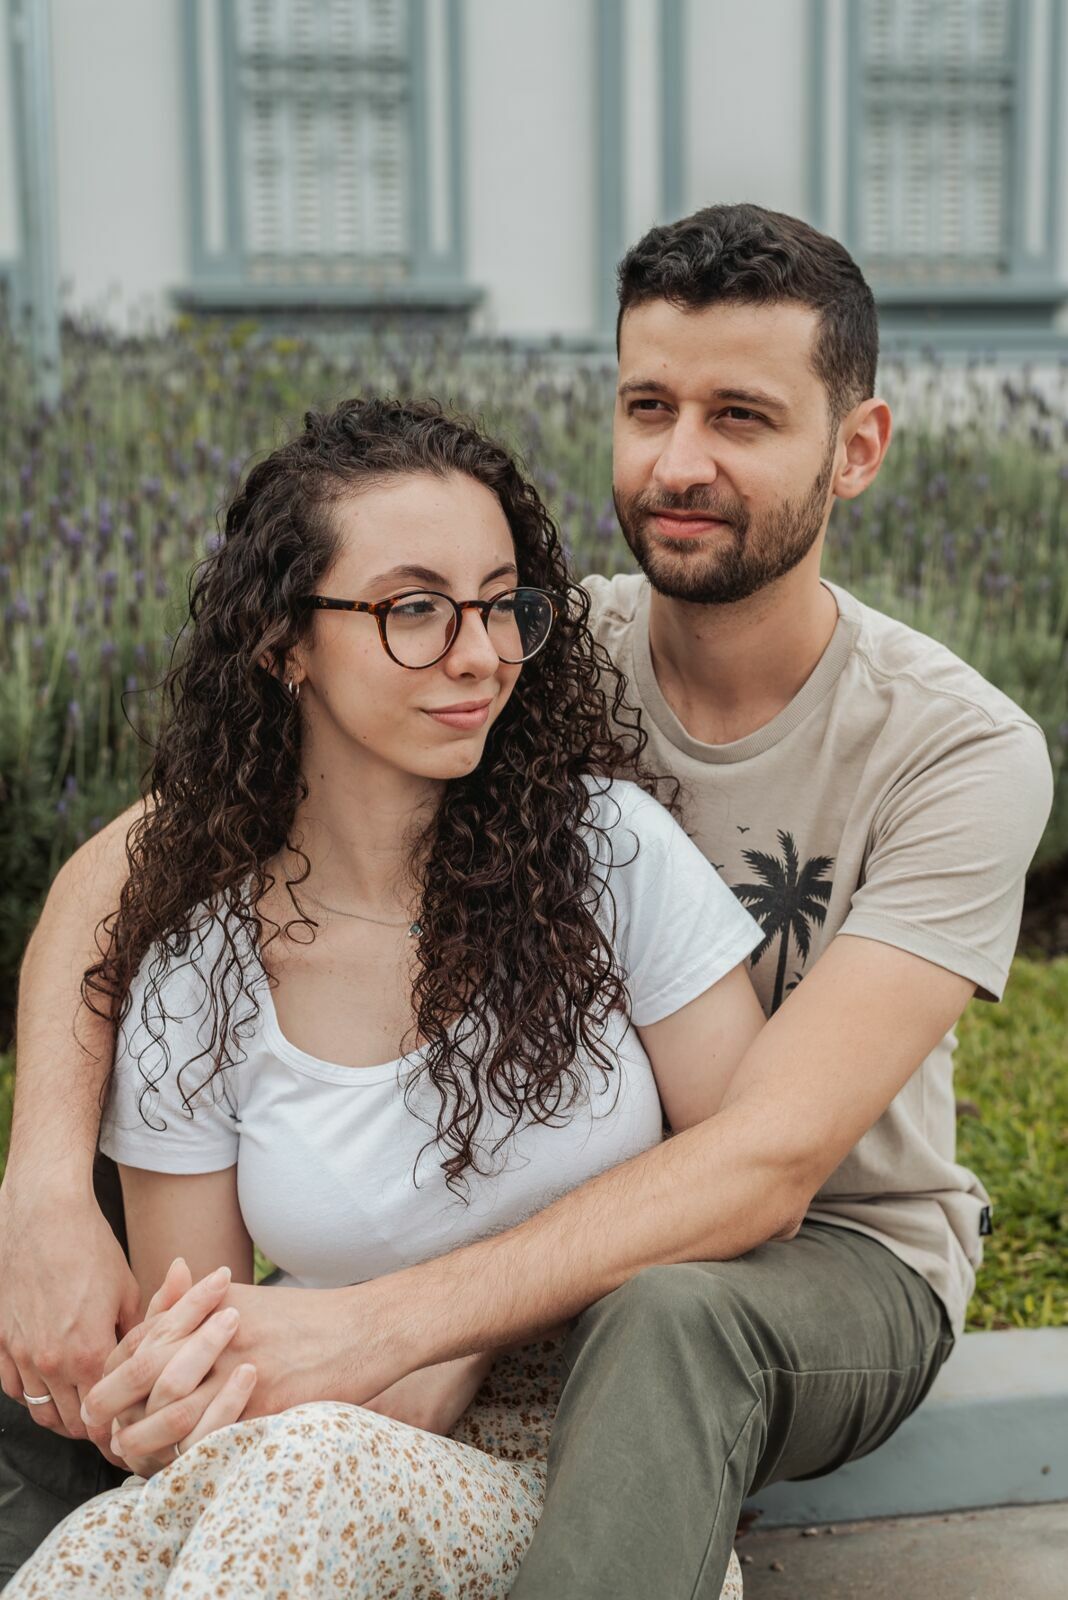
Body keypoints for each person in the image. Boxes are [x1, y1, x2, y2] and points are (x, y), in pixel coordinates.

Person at [0, 205, 1053, 1599]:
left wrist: (392, 1326)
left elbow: (769, 1164)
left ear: (855, 448)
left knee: (667, 1315)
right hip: (518, 1295)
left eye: (741, 415)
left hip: (827, 1247)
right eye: (647, 405)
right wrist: (37, 1188)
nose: (681, 460)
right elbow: (127, 869)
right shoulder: (535, 654)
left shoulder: (953, 749)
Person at [1, 396, 759, 1596]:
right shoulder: (198, 969)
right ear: (283, 642)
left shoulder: (608, 851)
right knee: (88, 1566)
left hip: (597, 1463)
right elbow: (197, 1360)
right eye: (414, 609)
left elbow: (753, 1187)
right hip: (302, 1454)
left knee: (309, 1475)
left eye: (503, 601)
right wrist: (157, 1401)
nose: (479, 651)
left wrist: (449, 1333)